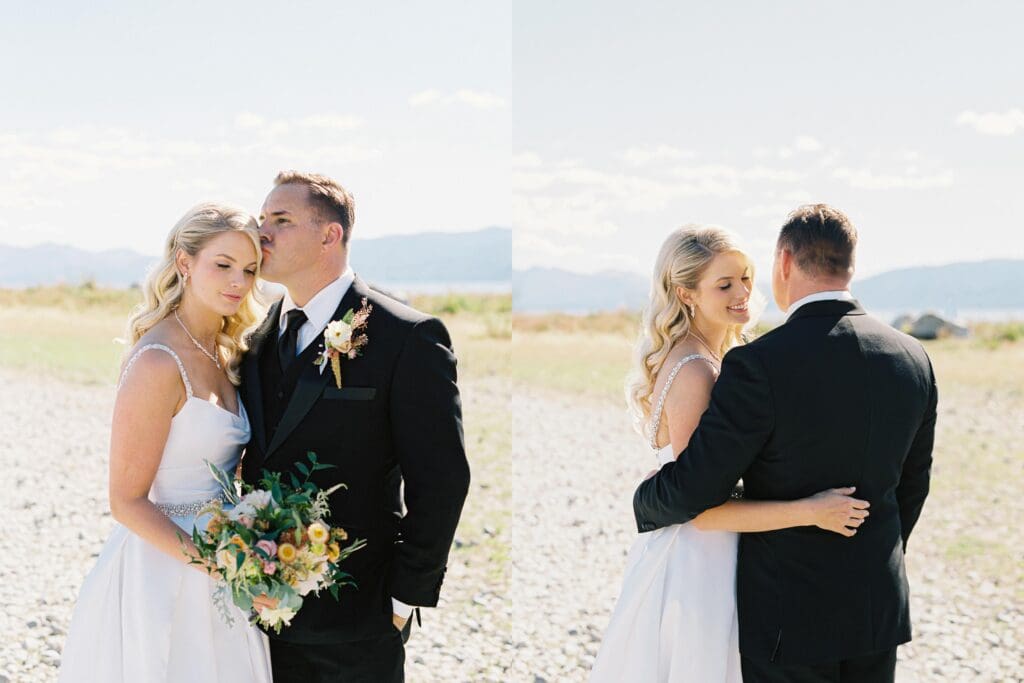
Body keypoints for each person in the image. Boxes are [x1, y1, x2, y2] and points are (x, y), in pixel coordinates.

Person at [634, 206, 936, 682]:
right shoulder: (913, 357)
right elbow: (912, 485)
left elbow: (696, 488)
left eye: (747, 277)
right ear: (850, 265)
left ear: (784, 263)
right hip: (877, 606)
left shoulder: (757, 365)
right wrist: (872, 558)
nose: (744, 291)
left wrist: (645, 498)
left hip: (785, 618)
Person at [590, 225, 871, 682]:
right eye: (724, 285)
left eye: (745, 277)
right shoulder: (695, 369)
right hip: (697, 560)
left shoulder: (716, 355)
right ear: (686, 293)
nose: (742, 293)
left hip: (715, 552)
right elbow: (701, 509)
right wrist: (810, 511)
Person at [240, 171, 471, 682]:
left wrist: (405, 594)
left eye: (281, 221)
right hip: (258, 610)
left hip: (358, 613)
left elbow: (441, 477)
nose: (263, 235)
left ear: (330, 235)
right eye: (261, 221)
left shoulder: (407, 336)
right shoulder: (256, 338)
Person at [58, 203, 272, 682]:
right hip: (163, 568)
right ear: (183, 262)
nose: (238, 281)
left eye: (250, 269)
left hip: (227, 552)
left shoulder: (227, 349)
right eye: (223, 265)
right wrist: (222, 570)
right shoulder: (157, 361)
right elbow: (126, 501)